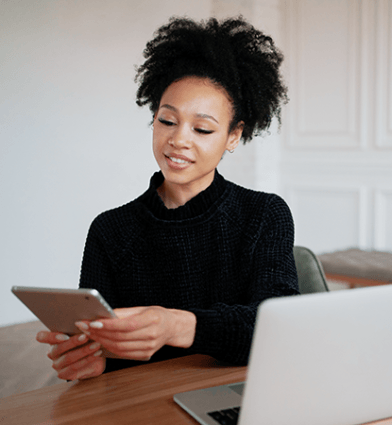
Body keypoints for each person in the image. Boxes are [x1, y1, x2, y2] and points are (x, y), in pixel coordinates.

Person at [36, 16, 299, 381]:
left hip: (238, 395)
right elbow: (106, 342)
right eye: (167, 121)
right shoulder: (110, 230)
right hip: (142, 405)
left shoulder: (264, 215)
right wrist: (95, 360)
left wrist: (177, 325)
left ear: (234, 135)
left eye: (203, 128)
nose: (178, 140)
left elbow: (277, 327)